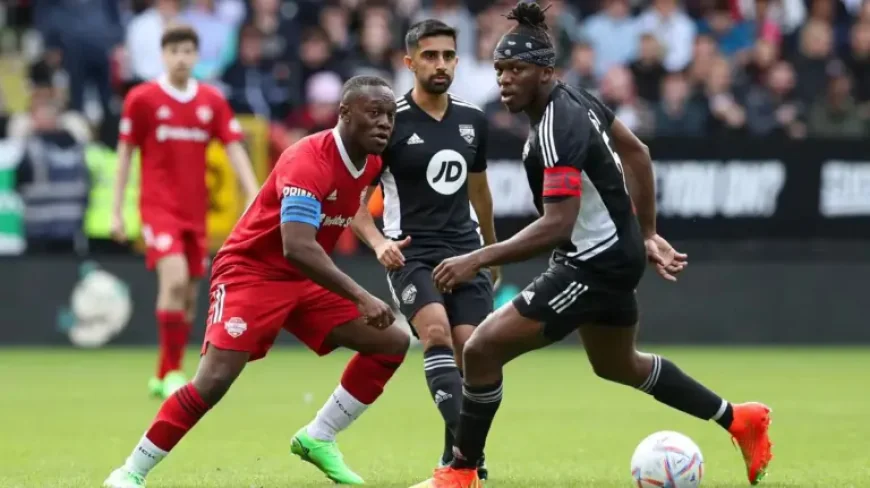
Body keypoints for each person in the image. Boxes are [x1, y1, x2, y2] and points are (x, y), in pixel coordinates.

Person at [411, 3, 773, 488]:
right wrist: (644, 233)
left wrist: (477, 257)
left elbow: (557, 225)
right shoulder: (573, 100)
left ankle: (460, 472)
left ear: (545, 72)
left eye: (516, 69)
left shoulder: (559, 124)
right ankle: (739, 418)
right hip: (612, 255)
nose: (504, 80)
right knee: (618, 364)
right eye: (499, 70)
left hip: (592, 263)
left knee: (479, 350)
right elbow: (637, 153)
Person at [103, 75, 409, 488]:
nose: (384, 123)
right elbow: (297, 246)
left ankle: (319, 436)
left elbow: (350, 203)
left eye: (389, 115)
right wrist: (360, 295)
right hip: (252, 272)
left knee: (391, 340)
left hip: (304, 278)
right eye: (373, 113)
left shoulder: (370, 162)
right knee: (214, 381)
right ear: (344, 113)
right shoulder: (307, 160)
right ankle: (129, 472)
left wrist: (374, 241)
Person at [351, 19, 497, 479]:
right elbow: (352, 205)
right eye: (430, 56)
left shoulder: (474, 120)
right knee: (436, 332)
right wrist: (378, 243)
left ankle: (453, 458)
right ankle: (466, 456)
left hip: (466, 251)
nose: (441, 65)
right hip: (412, 253)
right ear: (409, 62)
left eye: (448, 56)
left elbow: (480, 193)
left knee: (472, 350)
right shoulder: (388, 123)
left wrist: (491, 252)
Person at [112, 25, 260, 400]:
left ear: (197, 57)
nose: (181, 58)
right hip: (158, 210)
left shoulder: (211, 101)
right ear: (163, 56)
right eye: (174, 51)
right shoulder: (142, 99)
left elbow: (234, 148)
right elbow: (126, 155)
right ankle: (173, 370)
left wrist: (253, 192)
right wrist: (117, 211)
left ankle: (164, 372)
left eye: (188, 52)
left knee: (193, 293)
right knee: (174, 279)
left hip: (196, 214)